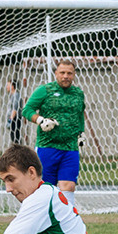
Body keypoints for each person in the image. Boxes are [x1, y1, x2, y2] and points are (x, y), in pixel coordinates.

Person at [22, 60, 86, 195]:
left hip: (70, 148)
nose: (65, 76)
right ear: (56, 74)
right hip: (47, 147)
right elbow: (27, 110)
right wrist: (41, 120)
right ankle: (45, 215)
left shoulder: (78, 93)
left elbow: (80, 115)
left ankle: (65, 216)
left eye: (69, 73)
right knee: (45, 187)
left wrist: (81, 133)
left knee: (68, 186)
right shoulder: (44, 90)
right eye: (62, 72)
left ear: (74, 75)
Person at [3, 78, 25, 146]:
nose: (6, 87)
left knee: (15, 137)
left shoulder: (16, 95)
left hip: (15, 119)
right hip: (13, 119)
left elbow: (15, 109)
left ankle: (18, 153)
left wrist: (10, 120)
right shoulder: (12, 95)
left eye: (8, 85)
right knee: (13, 137)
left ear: (12, 86)